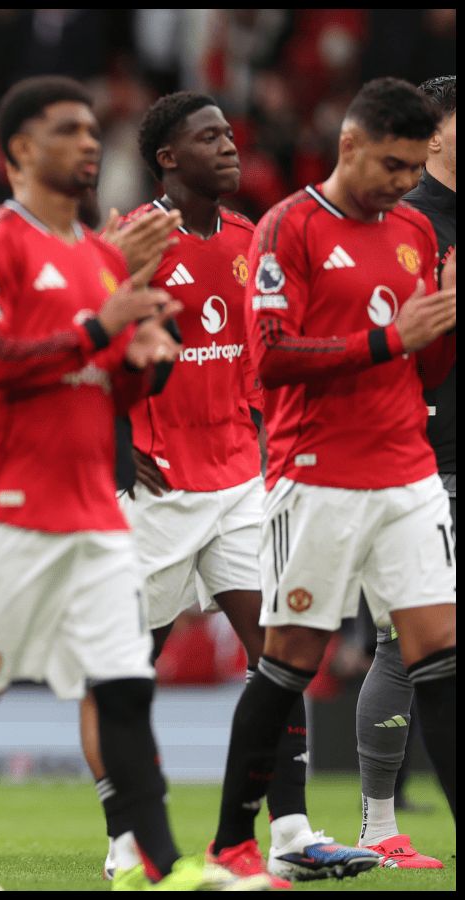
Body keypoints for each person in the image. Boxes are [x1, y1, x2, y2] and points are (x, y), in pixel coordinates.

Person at [0, 76, 250, 892]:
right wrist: (101, 327)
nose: (89, 143)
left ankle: (158, 866)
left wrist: (142, 364)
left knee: (123, 686)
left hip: (93, 509)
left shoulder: (95, 254)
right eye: (66, 131)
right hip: (6, 507)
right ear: (20, 150)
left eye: (93, 130)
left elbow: (109, 388)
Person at [210, 76, 456, 881]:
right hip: (317, 477)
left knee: (441, 658)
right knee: (287, 662)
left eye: (412, 165)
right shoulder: (289, 228)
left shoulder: (416, 226)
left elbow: (424, 366)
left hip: (408, 474)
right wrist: (386, 338)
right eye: (390, 163)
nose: (399, 181)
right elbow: (271, 356)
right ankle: (231, 843)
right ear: (348, 144)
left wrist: (444, 320)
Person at [77, 92, 302, 888]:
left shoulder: (250, 241)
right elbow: (83, 350)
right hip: (156, 491)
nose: (230, 148)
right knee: (124, 673)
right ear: (167, 158)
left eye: (231, 135)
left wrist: (263, 435)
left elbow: (255, 363)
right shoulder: (133, 242)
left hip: (239, 481)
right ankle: (122, 835)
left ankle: (291, 832)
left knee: (280, 652)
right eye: (209, 138)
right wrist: (116, 445)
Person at [353, 74, 455, 870]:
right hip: (418, 461)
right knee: (405, 646)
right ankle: (377, 825)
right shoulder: (403, 223)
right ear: (434, 134)